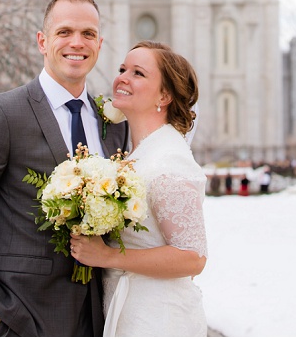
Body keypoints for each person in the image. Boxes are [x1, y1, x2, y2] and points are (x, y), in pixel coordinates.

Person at [0, 0, 128, 336]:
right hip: (20, 317)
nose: (77, 42)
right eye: (64, 32)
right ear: (42, 41)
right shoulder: (3, 114)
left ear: (100, 44)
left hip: (96, 318)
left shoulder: (112, 122)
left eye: (88, 34)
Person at [70, 41, 208, 337]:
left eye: (138, 73)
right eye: (122, 69)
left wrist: (107, 257)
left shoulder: (170, 160)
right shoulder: (137, 155)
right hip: (128, 309)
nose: (122, 77)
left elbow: (193, 258)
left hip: (159, 318)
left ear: (164, 95)